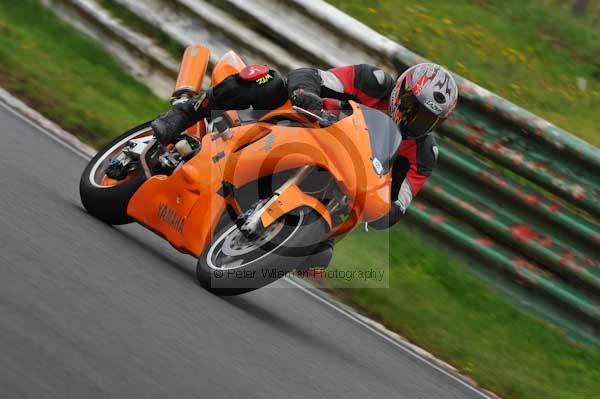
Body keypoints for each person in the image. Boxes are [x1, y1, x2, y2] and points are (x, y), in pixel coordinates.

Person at [151, 62, 458, 268]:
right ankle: (185, 115)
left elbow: (402, 198)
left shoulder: (422, 153)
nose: (411, 119)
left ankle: (279, 239)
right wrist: (305, 93)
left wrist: (390, 212)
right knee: (265, 79)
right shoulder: (372, 81)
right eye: (409, 107)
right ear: (400, 91)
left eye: (425, 118)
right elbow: (312, 76)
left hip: (341, 178)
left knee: (320, 256)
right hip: (302, 125)